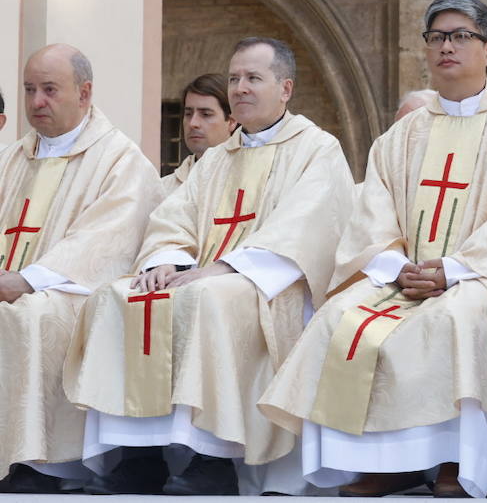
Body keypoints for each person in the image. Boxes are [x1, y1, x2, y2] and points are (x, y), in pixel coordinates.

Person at [259, 0, 487, 498]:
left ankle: (452, 460)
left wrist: (454, 269)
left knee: (456, 318)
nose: (447, 47)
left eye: (460, 36)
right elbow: (373, 212)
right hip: (402, 277)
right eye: (437, 37)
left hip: (484, 279)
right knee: (340, 319)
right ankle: (388, 462)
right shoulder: (403, 135)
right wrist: (395, 265)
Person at [64, 37, 354, 495]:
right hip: (206, 277)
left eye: (253, 78)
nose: (239, 88)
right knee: (120, 295)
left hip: (270, 286)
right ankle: (141, 457)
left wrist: (222, 268)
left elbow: (307, 228)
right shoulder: (217, 158)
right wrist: (167, 260)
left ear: (285, 88)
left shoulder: (317, 149)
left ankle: (212, 459)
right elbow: (174, 217)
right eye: (235, 78)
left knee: (204, 297)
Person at [0, 45, 161, 492]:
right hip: (11, 285)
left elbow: (106, 241)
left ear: (84, 92)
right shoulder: (12, 159)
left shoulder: (120, 161)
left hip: (77, 292)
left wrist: (26, 281)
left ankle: (43, 465)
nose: (36, 103)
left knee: (31, 316)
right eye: (30, 90)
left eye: (50, 90)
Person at [162, 73, 237, 196]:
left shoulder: (247, 178)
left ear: (231, 122)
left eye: (206, 114)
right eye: (188, 114)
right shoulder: (164, 188)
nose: (193, 123)